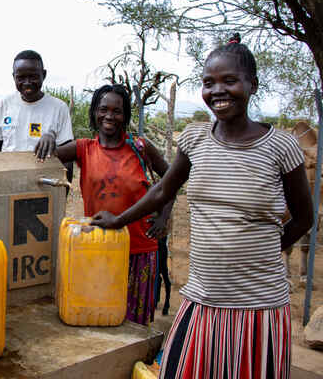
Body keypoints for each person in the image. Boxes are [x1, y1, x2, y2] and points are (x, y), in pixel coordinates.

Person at [90, 35, 313, 378]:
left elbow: (304, 218)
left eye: (230, 80)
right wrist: (119, 220)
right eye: (209, 83)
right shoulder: (195, 139)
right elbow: (164, 189)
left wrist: (265, 252)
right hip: (202, 298)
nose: (218, 91)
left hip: (259, 304)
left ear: (252, 85)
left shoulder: (281, 147)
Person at [37, 83, 173, 325]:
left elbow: (172, 179)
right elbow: (48, 155)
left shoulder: (141, 148)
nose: (109, 116)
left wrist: (164, 217)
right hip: (101, 246)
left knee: (134, 324)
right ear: (94, 113)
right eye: (103, 109)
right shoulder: (84, 149)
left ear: (125, 116)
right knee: (99, 315)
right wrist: (48, 136)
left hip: (140, 247)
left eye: (116, 111)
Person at [0, 49, 74, 159]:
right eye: (21, 77)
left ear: (43, 75)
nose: (27, 83)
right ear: (14, 77)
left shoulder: (59, 108)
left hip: (43, 174)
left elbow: (67, 156)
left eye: (33, 76)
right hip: (8, 173)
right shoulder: (4, 104)